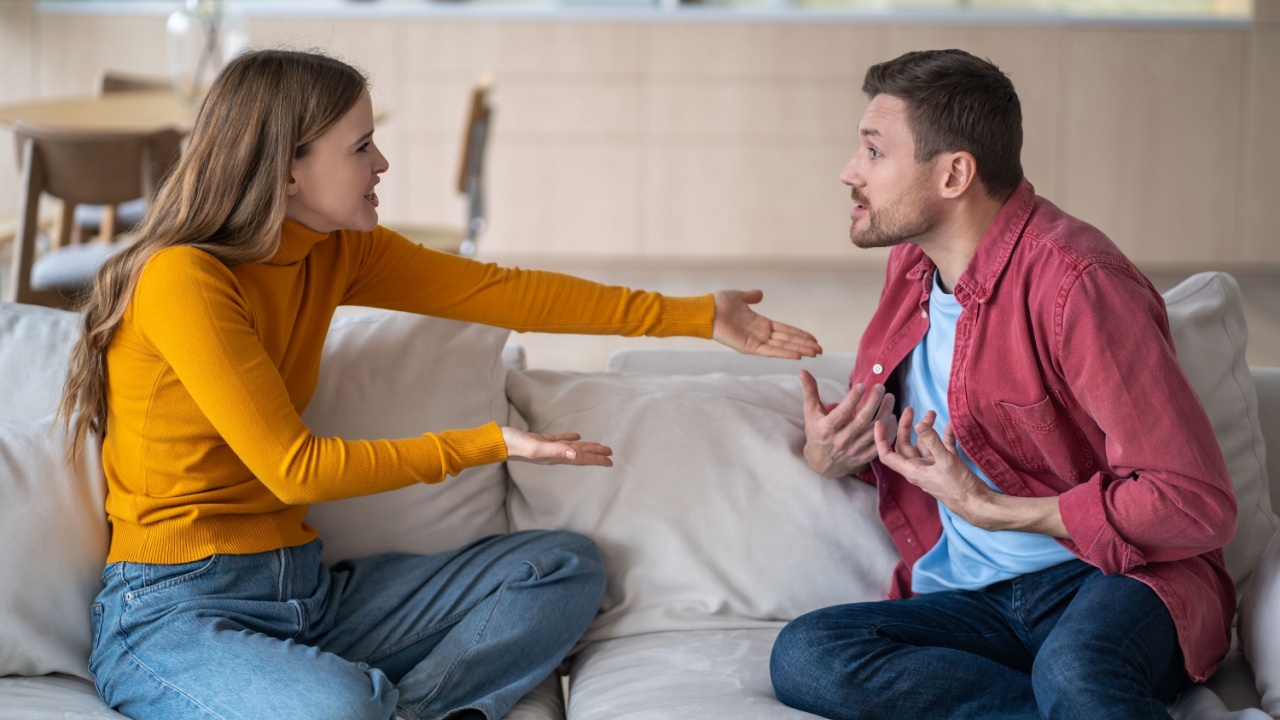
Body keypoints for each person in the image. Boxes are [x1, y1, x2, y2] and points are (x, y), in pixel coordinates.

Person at [55, 49, 820, 720]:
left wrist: (694, 315)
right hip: (175, 614)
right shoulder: (183, 280)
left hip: (307, 595)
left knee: (559, 567)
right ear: (289, 169)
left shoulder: (333, 250)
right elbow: (295, 467)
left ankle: (415, 712)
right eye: (361, 146)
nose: (382, 163)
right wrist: (484, 444)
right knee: (338, 708)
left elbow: (505, 291)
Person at [768, 49, 1237, 720]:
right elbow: (936, 439)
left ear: (955, 172)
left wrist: (1001, 512)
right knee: (808, 654)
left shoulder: (1079, 282)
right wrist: (834, 454)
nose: (850, 172)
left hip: (1110, 578)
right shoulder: (912, 266)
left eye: (874, 152)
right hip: (976, 599)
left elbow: (1195, 504)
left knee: (1075, 669)